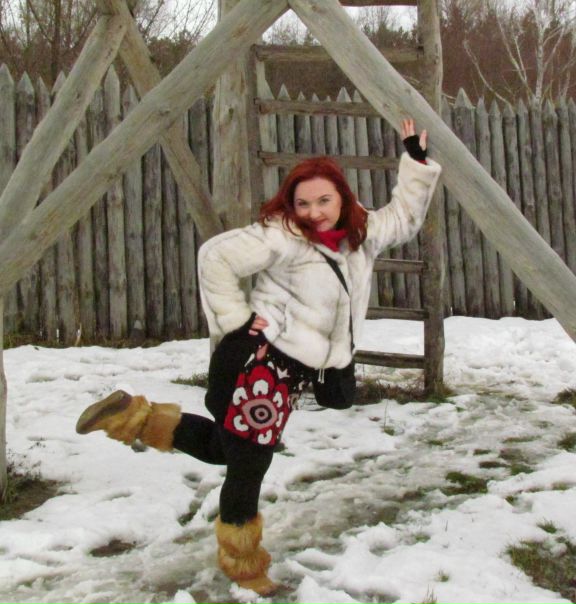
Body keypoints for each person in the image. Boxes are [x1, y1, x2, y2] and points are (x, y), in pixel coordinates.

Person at [75, 119, 441, 597]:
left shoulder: (361, 231)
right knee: (248, 463)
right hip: (264, 366)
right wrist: (236, 319)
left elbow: (405, 218)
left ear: (343, 198)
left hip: (295, 369)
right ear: (291, 205)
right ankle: (244, 567)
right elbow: (216, 258)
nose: (314, 212)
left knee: (224, 448)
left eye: (324, 201)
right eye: (303, 203)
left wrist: (414, 161)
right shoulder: (281, 236)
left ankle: (132, 417)